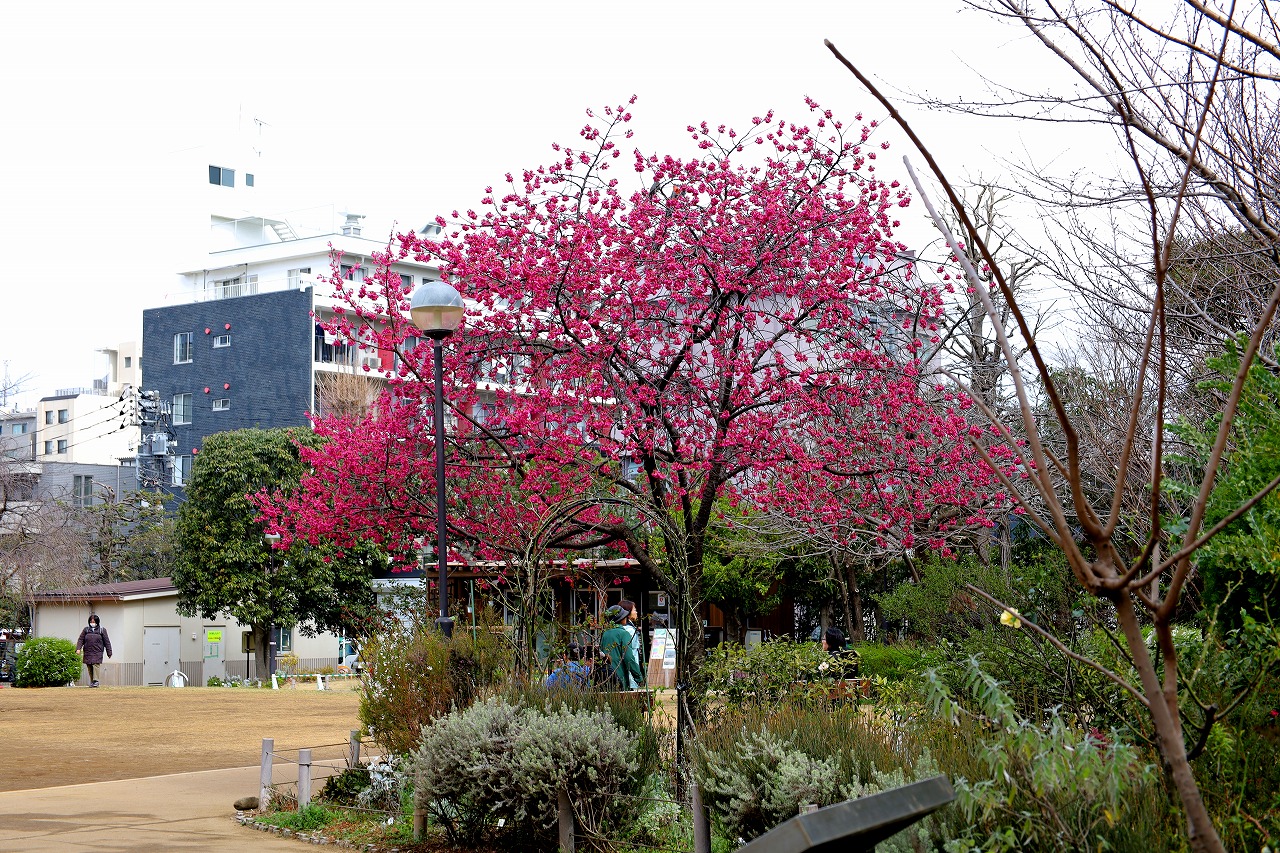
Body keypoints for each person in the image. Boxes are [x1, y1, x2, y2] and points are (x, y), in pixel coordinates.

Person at [600, 600, 645, 690]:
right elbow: (628, 658)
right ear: (621, 618)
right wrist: (639, 677)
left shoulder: (605, 633)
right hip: (620, 677)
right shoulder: (624, 634)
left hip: (606, 676)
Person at [76, 614, 112, 687]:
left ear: (97, 622)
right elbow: (81, 639)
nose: (92, 623)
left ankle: (96, 681)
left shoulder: (102, 630)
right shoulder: (86, 630)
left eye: (94, 622)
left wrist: (109, 652)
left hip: (97, 651)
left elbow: (107, 642)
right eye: (91, 621)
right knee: (89, 666)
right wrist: (78, 648)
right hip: (88, 651)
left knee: (96, 665)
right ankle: (93, 681)